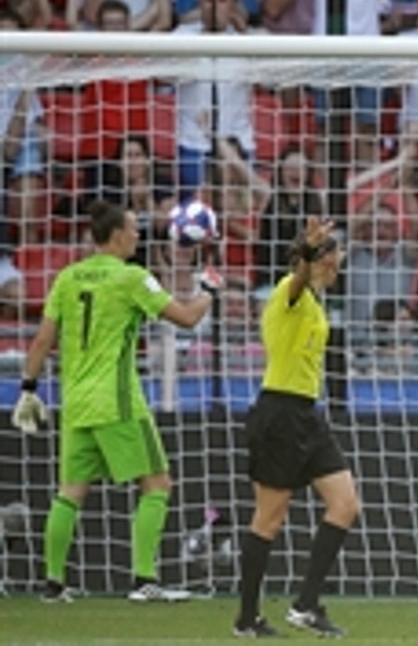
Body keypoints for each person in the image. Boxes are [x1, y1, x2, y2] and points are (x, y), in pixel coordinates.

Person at [11, 201, 219, 603]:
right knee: (157, 483)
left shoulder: (68, 278)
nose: (139, 235)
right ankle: (144, 581)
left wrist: (28, 389)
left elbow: (42, 339)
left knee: (69, 492)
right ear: (117, 235)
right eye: (135, 229)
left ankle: (53, 585)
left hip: (76, 403)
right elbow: (187, 318)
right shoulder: (131, 278)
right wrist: (208, 289)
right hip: (118, 399)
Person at [233, 217, 360, 638]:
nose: (338, 266)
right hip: (279, 413)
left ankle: (306, 605)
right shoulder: (289, 292)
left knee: (345, 504)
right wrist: (307, 255)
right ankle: (247, 618)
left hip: (308, 413)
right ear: (317, 259)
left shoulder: (316, 303)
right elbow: (299, 279)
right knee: (269, 520)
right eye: (333, 257)